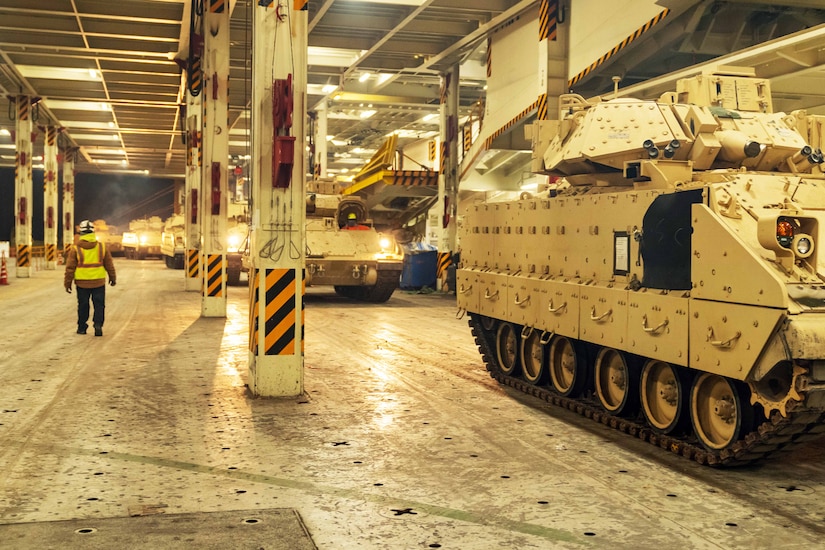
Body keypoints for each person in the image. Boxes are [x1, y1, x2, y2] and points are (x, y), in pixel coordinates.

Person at [64, 219, 117, 336]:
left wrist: (67, 283)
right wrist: (112, 277)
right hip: (98, 282)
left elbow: (70, 268)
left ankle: (82, 327)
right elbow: (109, 264)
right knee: (99, 305)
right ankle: (98, 325)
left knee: (83, 305)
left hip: (82, 283)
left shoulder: (76, 249)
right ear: (93, 232)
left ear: (81, 234)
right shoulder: (101, 247)